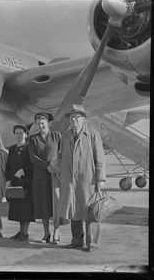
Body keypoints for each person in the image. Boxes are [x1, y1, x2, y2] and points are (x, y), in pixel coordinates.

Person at [52, 104, 106, 252]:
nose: (73, 121)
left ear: (83, 120)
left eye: (77, 118)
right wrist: (56, 165)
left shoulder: (93, 134)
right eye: (71, 118)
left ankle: (92, 243)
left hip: (88, 180)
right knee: (73, 209)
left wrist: (101, 180)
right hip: (69, 180)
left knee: (91, 212)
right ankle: (76, 241)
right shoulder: (66, 135)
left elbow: (99, 159)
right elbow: (61, 155)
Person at [28, 112, 63, 243]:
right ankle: (46, 233)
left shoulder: (57, 135)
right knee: (43, 205)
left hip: (55, 175)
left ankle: (57, 232)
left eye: (43, 122)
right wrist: (46, 166)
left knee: (56, 203)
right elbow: (32, 157)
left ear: (48, 123)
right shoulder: (33, 139)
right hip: (40, 176)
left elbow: (61, 153)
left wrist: (54, 166)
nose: (40, 125)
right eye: (38, 123)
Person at [5, 125, 35, 241]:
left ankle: (25, 232)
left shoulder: (29, 147)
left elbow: (33, 165)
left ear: (25, 134)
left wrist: (24, 171)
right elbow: (8, 166)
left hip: (26, 182)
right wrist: (8, 179)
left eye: (21, 133)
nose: (18, 135)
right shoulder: (12, 148)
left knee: (26, 209)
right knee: (17, 209)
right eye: (16, 133)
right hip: (15, 182)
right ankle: (21, 232)